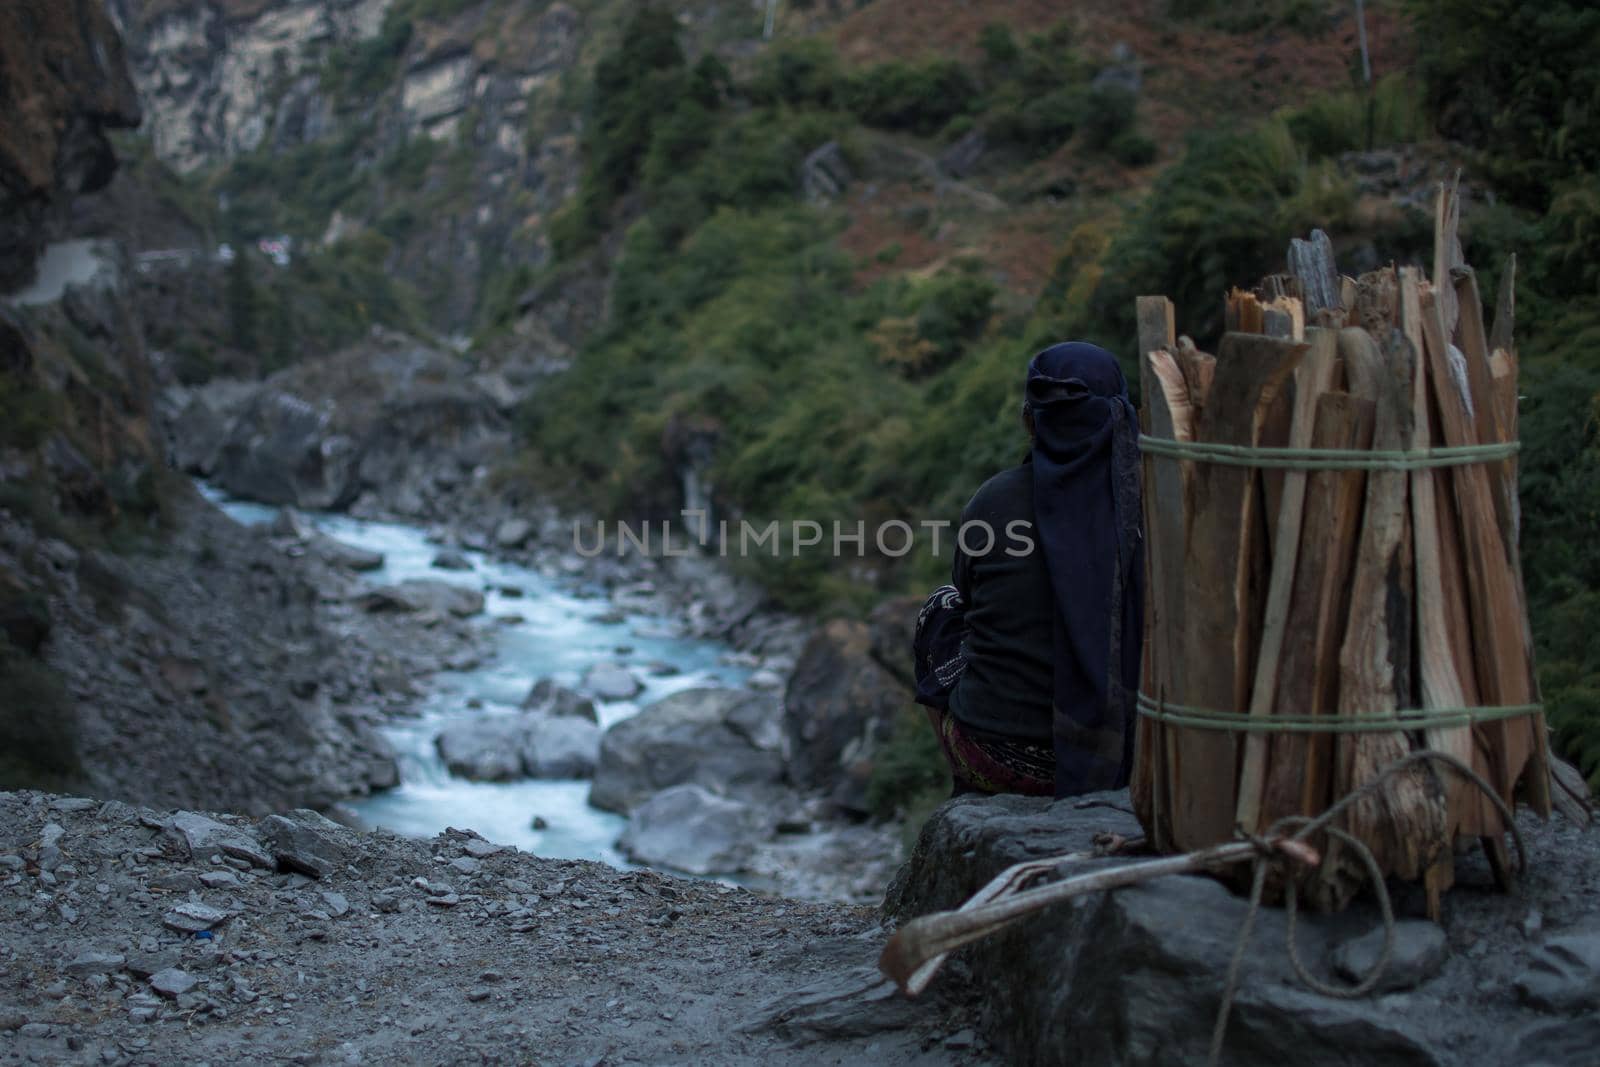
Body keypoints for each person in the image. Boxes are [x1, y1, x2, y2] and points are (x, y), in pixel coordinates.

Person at [913, 342, 1144, 799]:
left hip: (993, 757)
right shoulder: (1151, 505)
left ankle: (965, 786)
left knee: (941, 606)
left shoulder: (995, 501)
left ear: (1030, 421)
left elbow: (968, 596)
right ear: (1121, 418)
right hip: (1121, 756)